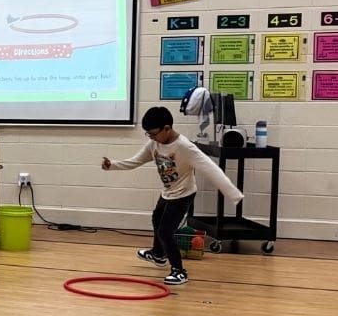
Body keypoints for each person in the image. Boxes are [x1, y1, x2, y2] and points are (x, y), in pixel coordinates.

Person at [102, 106, 243, 285]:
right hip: (168, 192)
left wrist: (233, 194)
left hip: (184, 194)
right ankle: (158, 254)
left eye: (153, 133)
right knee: (156, 218)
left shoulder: (185, 147)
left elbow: (211, 168)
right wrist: (112, 165)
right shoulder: (155, 143)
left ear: (167, 128)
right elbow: (136, 161)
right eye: (148, 135)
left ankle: (179, 271)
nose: (151, 138)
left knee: (165, 231)